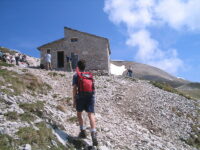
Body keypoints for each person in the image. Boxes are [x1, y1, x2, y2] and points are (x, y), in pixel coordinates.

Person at [72, 60, 98, 146]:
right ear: (85, 67)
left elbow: (74, 88)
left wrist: (74, 100)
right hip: (90, 96)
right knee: (91, 114)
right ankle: (93, 133)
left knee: (79, 113)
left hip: (81, 96)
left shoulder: (76, 75)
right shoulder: (89, 75)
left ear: (78, 67)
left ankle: (82, 131)